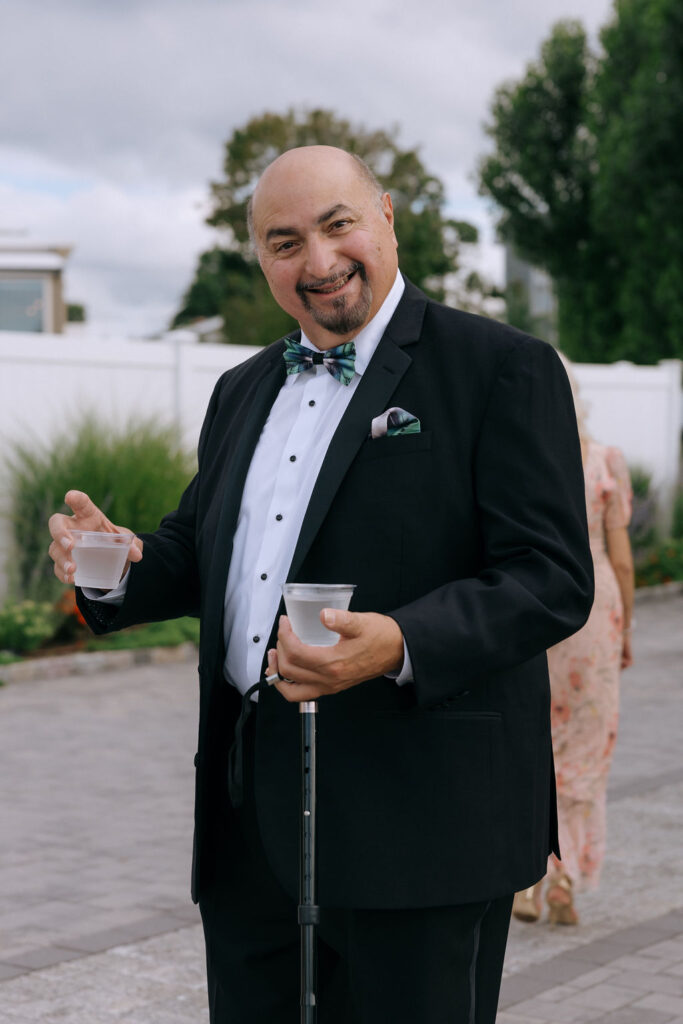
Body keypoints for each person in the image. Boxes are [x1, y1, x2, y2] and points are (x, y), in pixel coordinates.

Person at [48, 146, 593, 1024]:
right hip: (249, 825)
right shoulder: (239, 389)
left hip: (420, 825)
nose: (318, 261)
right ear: (260, 258)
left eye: (337, 226)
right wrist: (123, 564)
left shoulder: (500, 367)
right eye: (284, 241)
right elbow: (203, 548)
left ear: (385, 216)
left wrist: (401, 645)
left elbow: (550, 576)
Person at [512, 355, 634, 927]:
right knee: (586, 747)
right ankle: (565, 876)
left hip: (538, 607)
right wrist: (626, 629)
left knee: (536, 740)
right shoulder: (606, 462)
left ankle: (529, 877)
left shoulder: (530, 465)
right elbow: (623, 560)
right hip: (596, 610)